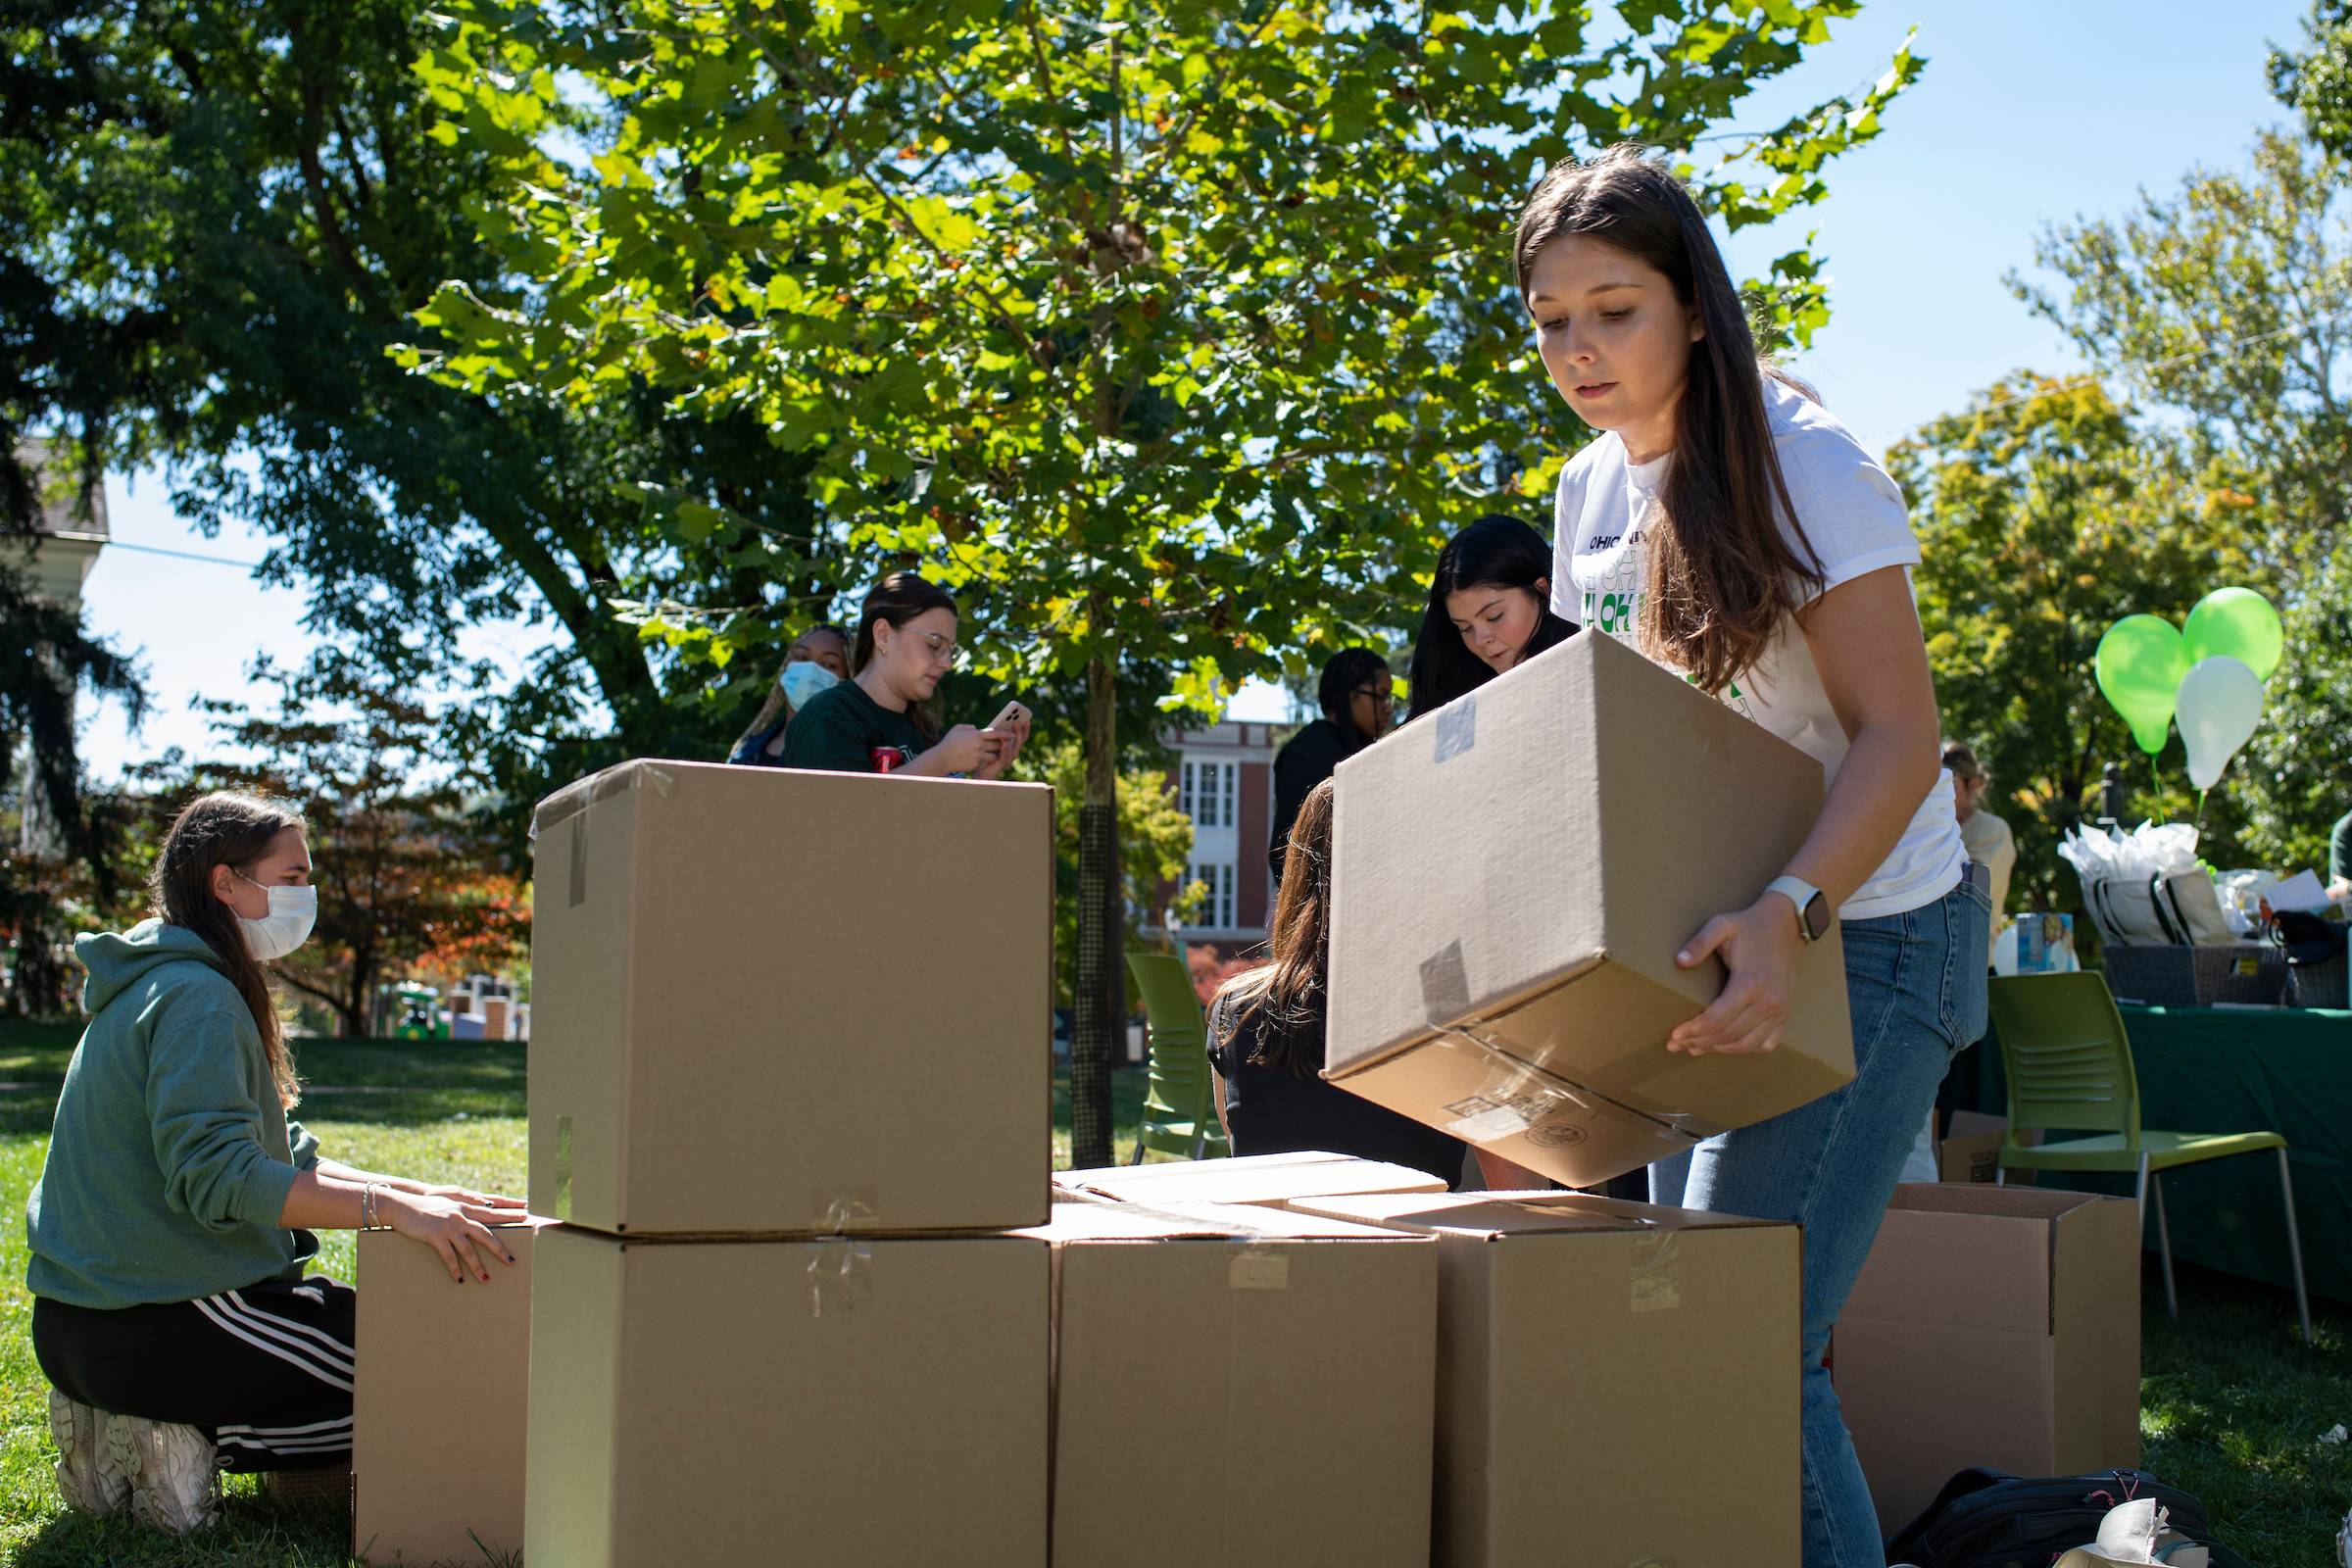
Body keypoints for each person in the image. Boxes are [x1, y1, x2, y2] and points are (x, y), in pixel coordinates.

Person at [1523, 144, 1987, 1568]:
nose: (1581, 350)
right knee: (1685, 1330)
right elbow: (1610, 744)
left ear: (1696, 311)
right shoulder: (1586, 495)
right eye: (1551, 321)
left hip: (1873, 931)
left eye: (1616, 309)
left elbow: (1900, 739)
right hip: (1704, 937)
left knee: (1746, 1346)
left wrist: (1791, 912)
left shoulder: (1812, 467)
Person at [26, 792, 524, 1532]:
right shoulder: (197, 998)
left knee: (409, 1355)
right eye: (291, 876)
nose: (305, 894)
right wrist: (390, 1211)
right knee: (432, 1375)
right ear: (225, 883)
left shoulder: (159, 982)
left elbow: (282, 1156)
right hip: (158, 1325)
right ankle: (177, 1438)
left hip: (81, 1328)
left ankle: (125, 1426)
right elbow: (220, 1177)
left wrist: (416, 1191)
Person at [1209, 780, 1543, 1189]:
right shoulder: (1455, 1013)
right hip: (1413, 1249)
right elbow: (1518, 1191)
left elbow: (1244, 1150)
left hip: (1280, 1246)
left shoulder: (1233, 1009)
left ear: (1297, 873)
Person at [779, 572, 1030, 777]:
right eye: (934, 644)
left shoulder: (925, 731)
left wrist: (980, 779)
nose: (947, 663)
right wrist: (940, 760)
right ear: (883, 635)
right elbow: (843, 818)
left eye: (950, 650)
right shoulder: (831, 714)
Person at [1406, 514, 1581, 718]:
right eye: (1464, 628)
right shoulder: (1455, 692)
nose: (1480, 640)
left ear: (1543, 591)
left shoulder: (1600, 656)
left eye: (1493, 616)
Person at [1268, 648, 1392, 880]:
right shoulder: (1311, 752)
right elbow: (1288, 851)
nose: (1388, 707)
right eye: (1381, 695)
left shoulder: (1340, 747)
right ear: (1350, 694)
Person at [727, 623, 853, 764]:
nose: (810, 670)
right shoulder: (746, 750)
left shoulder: (850, 753)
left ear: (847, 680)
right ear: (786, 667)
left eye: (829, 664)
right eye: (802, 657)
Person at [1942, 742, 2015, 943]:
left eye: (1949, 785)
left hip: (1976, 956)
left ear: (1972, 784)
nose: (1940, 794)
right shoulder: (1927, 827)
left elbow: (1968, 888)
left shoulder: (1992, 830)